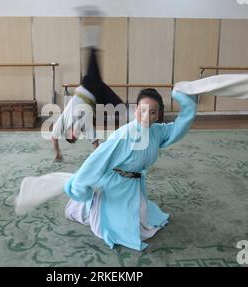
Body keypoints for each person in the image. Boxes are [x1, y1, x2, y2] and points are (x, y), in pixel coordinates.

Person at [63, 87, 197, 251]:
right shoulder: (125, 135)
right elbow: (97, 160)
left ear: (159, 114)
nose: (147, 117)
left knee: (144, 220)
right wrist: (79, 185)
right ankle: (91, 204)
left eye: (153, 112)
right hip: (114, 187)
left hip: (133, 186)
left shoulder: (157, 131)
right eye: (142, 111)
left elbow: (177, 129)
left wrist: (188, 105)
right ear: (136, 110)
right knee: (126, 229)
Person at [51, 8, 124, 161]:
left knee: (92, 52)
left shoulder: (63, 121)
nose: (76, 135)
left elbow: (53, 136)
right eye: (76, 138)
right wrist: (99, 157)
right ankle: (141, 126)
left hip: (88, 86)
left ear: (68, 132)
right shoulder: (84, 127)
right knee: (121, 109)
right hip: (97, 93)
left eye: (73, 136)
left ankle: (87, 20)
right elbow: (94, 141)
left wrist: (57, 152)